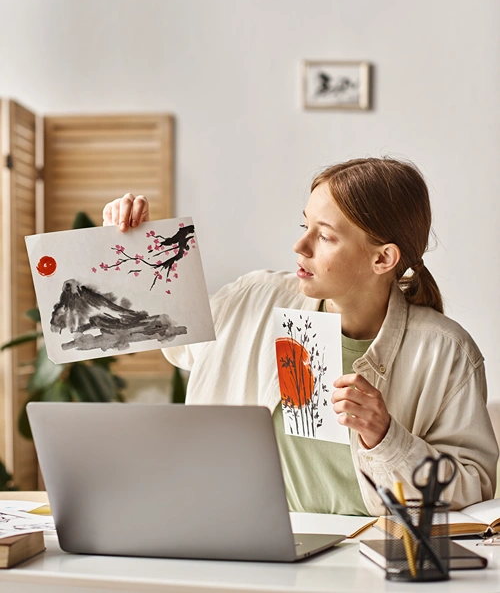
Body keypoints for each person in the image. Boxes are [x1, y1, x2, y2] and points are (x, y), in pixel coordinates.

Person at [103, 157, 498, 516]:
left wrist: (385, 437)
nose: (299, 246)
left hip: (366, 555)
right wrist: (127, 241)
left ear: (383, 258)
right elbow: (172, 333)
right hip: (238, 537)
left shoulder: (447, 351)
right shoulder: (254, 298)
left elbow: (474, 485)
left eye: (324, 236)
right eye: (304, 225)